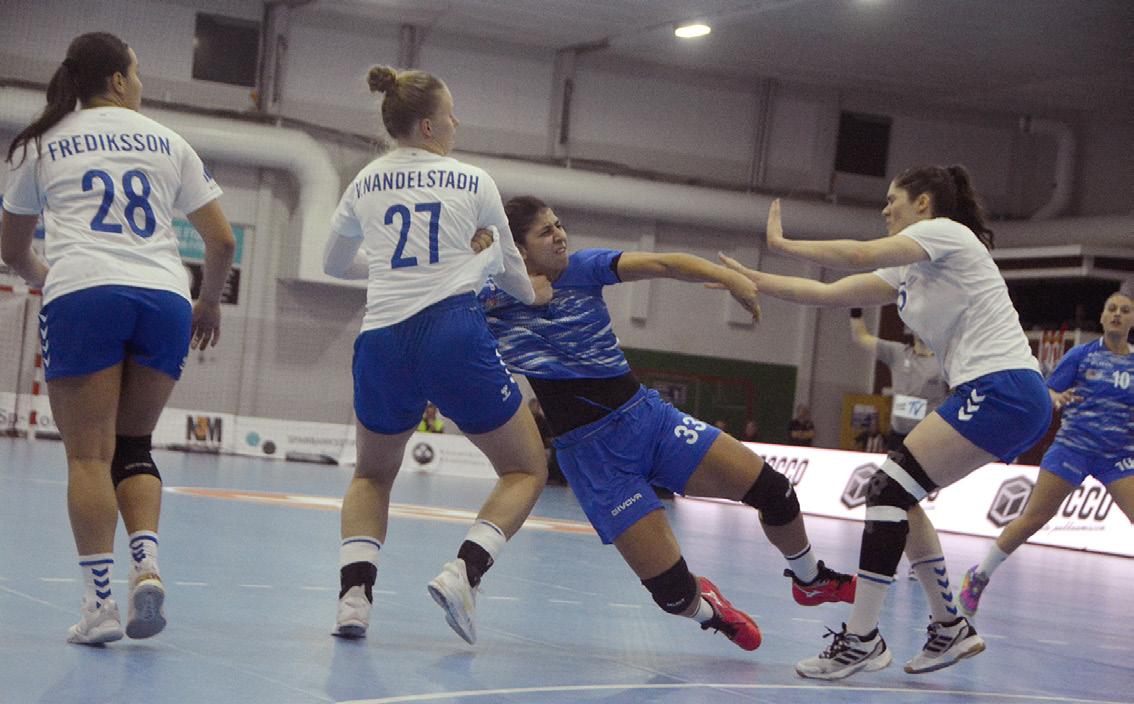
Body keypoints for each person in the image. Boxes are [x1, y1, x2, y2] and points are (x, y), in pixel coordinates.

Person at [475, 195, 857, 653]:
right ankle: (712, 612)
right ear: (519, 248)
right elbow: (440, 300)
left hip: (649, 422)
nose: (559, 236)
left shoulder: (585, 268)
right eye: (545, 232)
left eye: (559, 225)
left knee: (775, 492)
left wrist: (728, 277)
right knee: (673, 595)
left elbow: (664, 263)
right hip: (595, 460)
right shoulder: (489, 297)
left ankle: (810, 579)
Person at [718, 165, 1051, 679]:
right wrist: (754, 279)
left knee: (885, 489)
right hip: (995, 393)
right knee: (901, 497)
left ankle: (862, 639)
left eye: (892, 199)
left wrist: (784, 244)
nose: (884, 208)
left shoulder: (946, 232)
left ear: (923, 204)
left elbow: (858, 253)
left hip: (1001, 387)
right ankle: (949, 628)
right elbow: (830, 294)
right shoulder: (911, 269)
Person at [0, 32, 236, 645]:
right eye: (138, 72)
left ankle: (100, 605)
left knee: (87, 456)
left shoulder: (40, 143)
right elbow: (222, 241)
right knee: (134, 444)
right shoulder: (168, 140)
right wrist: (208, 302)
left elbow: (12, 249)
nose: (142, 83)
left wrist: (47, 277)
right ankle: (147, 565)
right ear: (118, 80)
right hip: (164, 297)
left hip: (85, 291)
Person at [320, 65, 549, 645]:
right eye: (450, 115)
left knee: (372, 475)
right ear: (427, 126)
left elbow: (332, 263)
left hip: (382, 339)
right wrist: (534, 296)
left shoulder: (364, 181)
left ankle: (353, 600)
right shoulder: (473, 180)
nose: (456, 123)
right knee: (526, 469)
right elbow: (513, 271)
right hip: (452, 332)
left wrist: (391, 269)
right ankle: (464, 573)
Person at [959, 291, 1134, 619]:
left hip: (1118, 455)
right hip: (1073, 448)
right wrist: (1056, 397)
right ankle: (979, 575)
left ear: (1132, 320)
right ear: (1102, 317)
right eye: (1111, 309)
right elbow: (1049, 389)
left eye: (1125, 310)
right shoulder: (1082, 355)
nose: (1117, 314)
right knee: (1035, 518)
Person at [849, 309, 949, 451]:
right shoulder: (898, 353)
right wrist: (855, 310)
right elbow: (860, 337)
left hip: (929, 437)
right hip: (898, 436)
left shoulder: (944, 361)